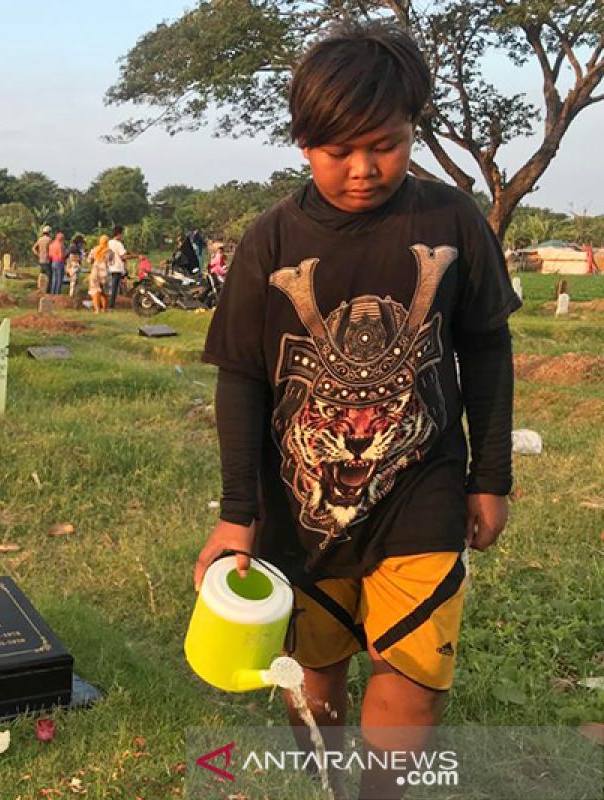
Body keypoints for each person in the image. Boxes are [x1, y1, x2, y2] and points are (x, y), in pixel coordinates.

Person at [195, 22, 519, 800]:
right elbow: (241, 378)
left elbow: (486, 348)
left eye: (387, 144)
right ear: (304, 141)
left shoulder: (453, 223)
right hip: (300, 502)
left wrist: (491, 475)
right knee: (313, 672)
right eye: (339, 150)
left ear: (415, 130)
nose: (365, 169)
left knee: (412, 670)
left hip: (422, 486)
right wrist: (239, 512)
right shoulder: (270, 241)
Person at [105, 226, 135, 309]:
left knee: (112, 286)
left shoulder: (109, 242)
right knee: (114, 288)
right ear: (119, 234)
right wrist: (136, 256)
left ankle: (110, 304)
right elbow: (123, 257)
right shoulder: (118, 244)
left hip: (110, 266)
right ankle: (111, 305)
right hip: (117, 268)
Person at [88, 235, 110, 314]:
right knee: (104, 292)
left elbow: (89, 260)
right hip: (105, 272)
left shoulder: (94, 249)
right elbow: (111, 262)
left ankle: (97, 310)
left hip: (95, 271)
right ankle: (104, 309)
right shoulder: (109, 251)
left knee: (95, 291)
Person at [31, 225, 52, 290]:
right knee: (49, 276)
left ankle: (40, 289)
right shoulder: (49, 240)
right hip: (47, 260)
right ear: (49, 232)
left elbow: (33, 248)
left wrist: (38, 254)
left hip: (41, 260)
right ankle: (48, 290)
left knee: (42, 274)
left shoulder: (40, 239)